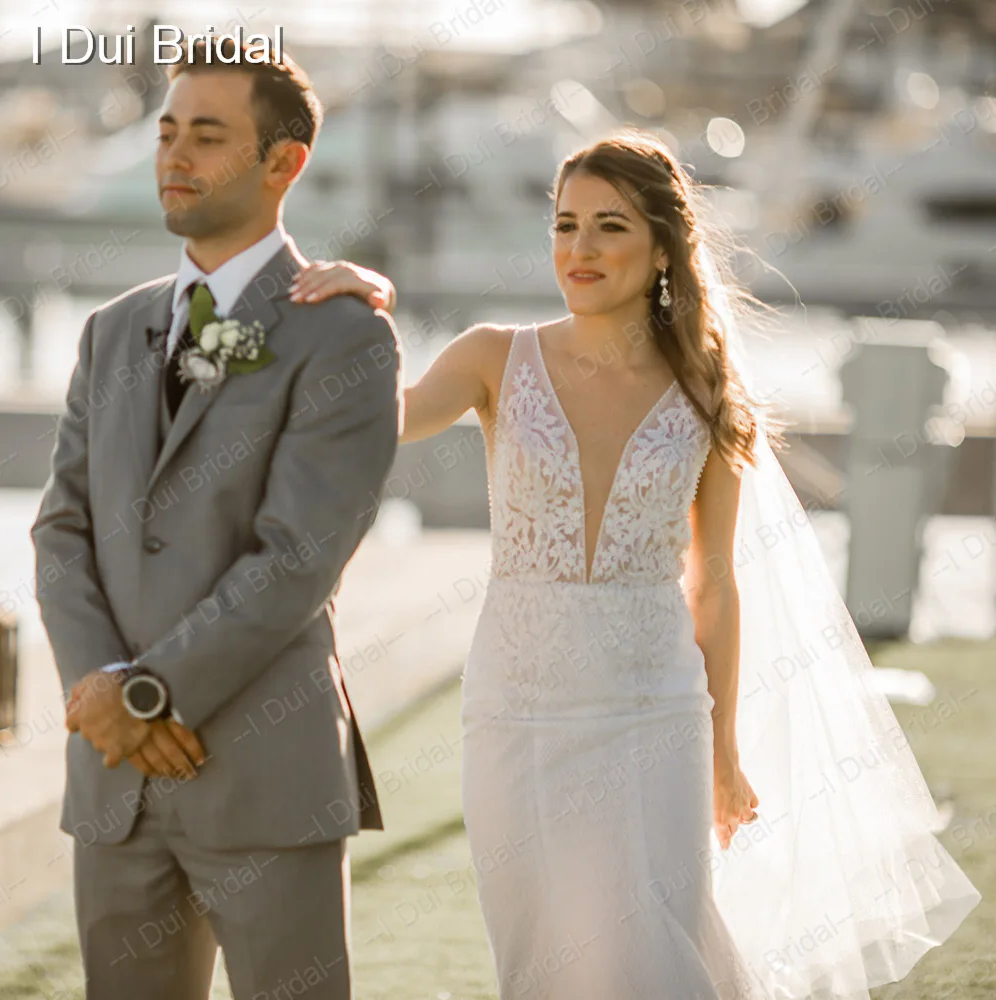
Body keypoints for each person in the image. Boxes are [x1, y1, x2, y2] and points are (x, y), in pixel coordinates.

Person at [288, 128, 981, 999]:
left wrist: (724, 752)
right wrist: (364, 308)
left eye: (609, 227)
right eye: (565, 225)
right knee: (544, 954)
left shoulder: (707, 392)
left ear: (661, 246)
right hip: (517, 708)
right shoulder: (493, 357)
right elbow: (377, 418)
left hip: (653, 711)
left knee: (654, 942)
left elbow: (716, 586)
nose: (579, 250)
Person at [30, 37, 401, 1000]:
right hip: (113, 778)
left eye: (206, 135)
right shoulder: (112, 330)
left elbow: (298, 557)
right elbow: (61, 532)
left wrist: (148, 696)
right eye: (166, 133)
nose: (174, 157)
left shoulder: (345, 332)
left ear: (284, 163)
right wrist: (101, 692)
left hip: (264, 778)